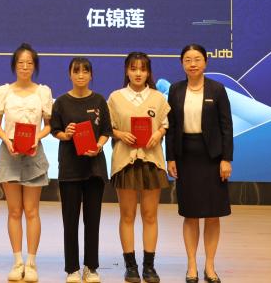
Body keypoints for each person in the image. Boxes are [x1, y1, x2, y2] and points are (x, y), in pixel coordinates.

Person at [166, 44, 233, 283]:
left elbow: (226, 126)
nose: (192, 64)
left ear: (205, 62)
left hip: (212, 158)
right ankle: (192, 265)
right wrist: (170, 157)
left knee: (213, 215)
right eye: (187, 60)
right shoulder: (175, 90)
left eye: (197, 59)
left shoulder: (217, 89)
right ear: (182, 64)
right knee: (190, 214)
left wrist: (226, 159)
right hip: (186, 157)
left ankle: (210, 266)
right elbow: (171, 127)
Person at [0, 43, 53, 282]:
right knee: (14, 211)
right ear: (14, 66)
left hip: (34, 153)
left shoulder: (43, 92)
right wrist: (6, 140)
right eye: (21, 63)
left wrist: (37, 137)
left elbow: (48, 125)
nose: (25, 67)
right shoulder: (3, 92)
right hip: (10, 153)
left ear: (34, 66)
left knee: (32, 210)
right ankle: (17, 262)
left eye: (29, 63)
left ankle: (31, 262)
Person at [108, 51, 170, 283]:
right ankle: (130, 266)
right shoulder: (115, 97)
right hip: (125, 162)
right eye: (133, 69)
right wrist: (119, 134)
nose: (138, 73)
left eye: (142, 69)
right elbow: (108, 128)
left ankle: (149, 267)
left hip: (151, 161)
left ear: (148, 72)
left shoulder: (158, 97)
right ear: (127, 71)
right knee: (127, 215)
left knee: (150, 215)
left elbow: (165, 124)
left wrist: (159, 133)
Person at [50, 57, 111, 283]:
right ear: (70, 74)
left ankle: (91, 267)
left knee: (92, 220)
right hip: (70, 169)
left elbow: (106, 131)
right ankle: (72, 269)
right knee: (70, 221)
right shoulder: (61, 102)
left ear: (91, 75)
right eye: (76, 71)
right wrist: (65, 134)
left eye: (85, 71)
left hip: (94, 168)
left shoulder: (99, 100)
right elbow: (55, 130)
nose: (81, 75)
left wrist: (99, 146)